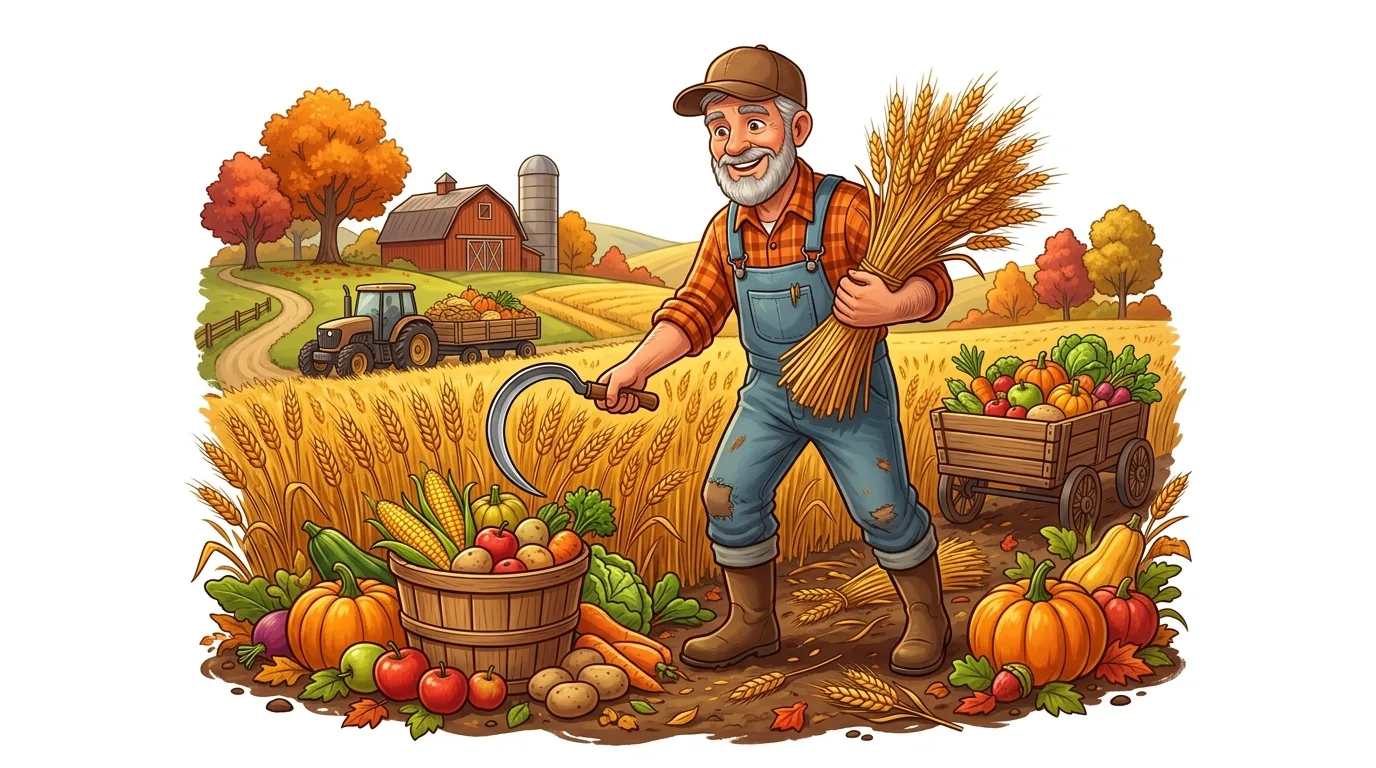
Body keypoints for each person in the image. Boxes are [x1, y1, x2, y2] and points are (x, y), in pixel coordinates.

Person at [595, 45, 954, 676]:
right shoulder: (726, 229)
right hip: (770, 393)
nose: (734, 145)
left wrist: (895, 303)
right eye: (719, 128)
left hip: (850, 394)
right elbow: (695, 312)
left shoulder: (846, 208)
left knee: (886, 509)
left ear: (798, 129)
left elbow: (935, 283)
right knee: (726, 496)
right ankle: (753, 623)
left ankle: (928, 618)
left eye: (753, 123)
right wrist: (635, 367)